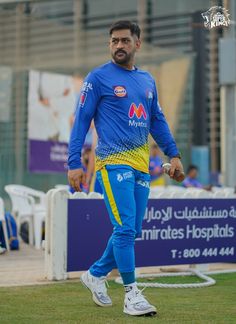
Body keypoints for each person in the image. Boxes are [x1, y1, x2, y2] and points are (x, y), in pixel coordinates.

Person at [68, 20, 184, 317]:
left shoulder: (147, 81)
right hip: (112, 164)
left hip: (141, 167)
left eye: (124, 40)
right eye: (114, 41)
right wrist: (74, 163)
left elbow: (157, 121)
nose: (119, 45)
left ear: (137, 44)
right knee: (125, 228)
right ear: (110, 45)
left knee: (130, 231)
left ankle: (94, 274)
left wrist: (174, 154)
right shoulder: (98, 78)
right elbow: (81, 121)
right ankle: (131, 295)